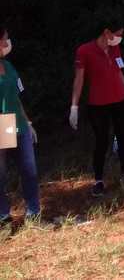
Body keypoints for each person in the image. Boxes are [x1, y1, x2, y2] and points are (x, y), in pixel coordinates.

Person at [69, 22, 124, 197]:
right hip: (98, 104)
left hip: (119, 99)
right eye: (118, 34)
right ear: (106, 33)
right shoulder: (84, 51)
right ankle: (99, 180)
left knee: (123, 137)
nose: (120, 38)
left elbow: (119, 72)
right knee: (101, 141)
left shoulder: (115, 48)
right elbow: (79, 79)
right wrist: (74, 106)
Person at [0, 24, 41, 223]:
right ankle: (3, 214)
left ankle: (34, 210)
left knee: (29, 169)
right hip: (2, 124)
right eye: (5, 39)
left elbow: (17, 97)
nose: (8, 43)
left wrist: (28, 122)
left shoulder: (8, 66)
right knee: (1, 172)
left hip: (18, 122)